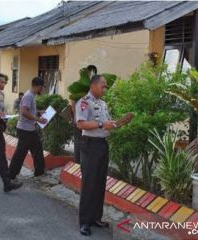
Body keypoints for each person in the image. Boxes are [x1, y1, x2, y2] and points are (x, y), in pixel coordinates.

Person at [76, 75, 133, 236]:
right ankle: (85, 222)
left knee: (100, 182)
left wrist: (120, 122)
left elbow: (107, 123)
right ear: (93, 85)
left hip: (102, 144)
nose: (105, 88)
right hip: (90, 145)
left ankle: (95, 218)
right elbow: (80, 124)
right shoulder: (84, 102)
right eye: (103, 86)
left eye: (105, 86)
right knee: (89, 183)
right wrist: (101, 124)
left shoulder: (103, 104)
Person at [9, 77, 47, 181]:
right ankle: (11, 175)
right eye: (42, 87)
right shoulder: (29, 96)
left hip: (30, 129)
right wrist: (38, 119)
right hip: (25, 130)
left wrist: (39, 112)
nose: (42, 90)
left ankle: (39, 172)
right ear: (38, 86)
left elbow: (29, 110)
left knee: (37, 149)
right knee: (21, 153)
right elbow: (24, 112)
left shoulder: (31, 95)